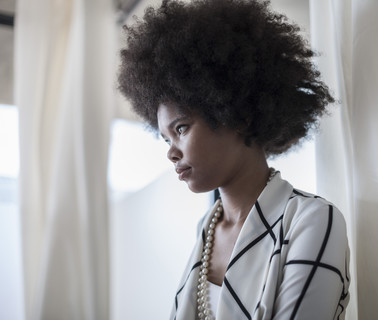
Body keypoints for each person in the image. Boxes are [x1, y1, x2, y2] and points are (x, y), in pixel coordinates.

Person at [118, 0, 350, 319]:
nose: (171, 152)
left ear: (236, 114)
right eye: (166, 138)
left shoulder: (311, 220)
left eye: (181, 128)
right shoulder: (208, 228)